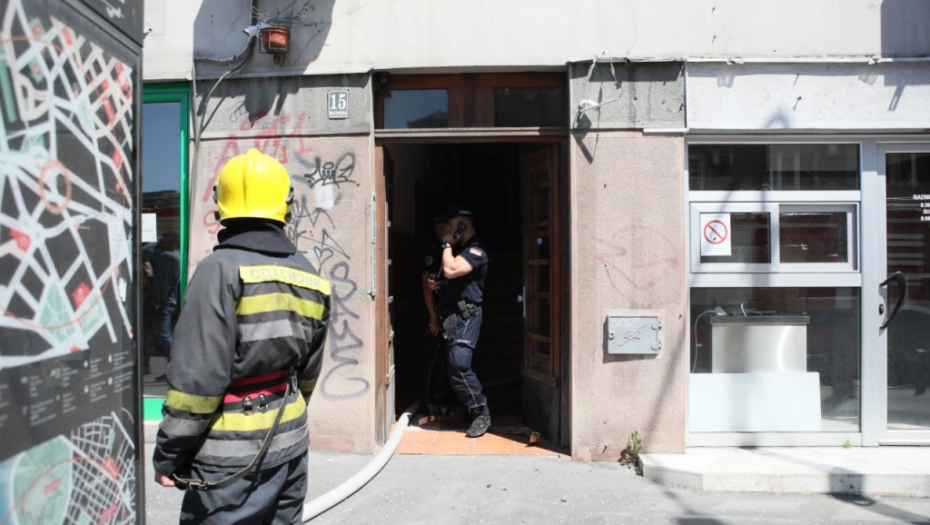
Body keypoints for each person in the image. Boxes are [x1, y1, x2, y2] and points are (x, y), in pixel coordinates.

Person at [152, 148, 331, 525]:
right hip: (291, 441)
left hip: (229, 457)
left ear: (221, 205)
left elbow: (196, 383)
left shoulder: (218, 270)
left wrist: (169, 454)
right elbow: (308, 374)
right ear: (286, 205)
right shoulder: (310, 275)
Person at [437, 207, 491, 438]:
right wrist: (439, 285)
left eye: (452, 225)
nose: (447, 230)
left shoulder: (476, 249)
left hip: (466, 315)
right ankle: (466, 411)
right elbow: (452, 278)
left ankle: (480, 412)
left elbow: (451, 270)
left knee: (459, 363)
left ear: (463, 225)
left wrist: (446, 244)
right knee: (451, 367)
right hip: (452, 316)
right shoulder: (462, 250)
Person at [420, 213, 451, 416]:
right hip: (436, 313)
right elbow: (426, 283)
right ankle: (427, 400)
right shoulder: (432, 250)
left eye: (444, 225)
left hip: (451, 311)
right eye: (438, 226)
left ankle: (447, 397)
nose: (441, 230)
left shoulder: (456, 248)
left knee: (451, 358)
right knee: (432, 357)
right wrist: (433, 315)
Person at [142, 230, 180, 376]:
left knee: (163, 335)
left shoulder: (170, 257)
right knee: (159, 334)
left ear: (174, 244)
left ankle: (176, 366)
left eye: (165, 243)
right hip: (162, 300)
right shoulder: (170, 256)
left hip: (165, 302)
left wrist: (156, 239)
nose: (162, 245)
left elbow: (145, 250)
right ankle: (171, 368)